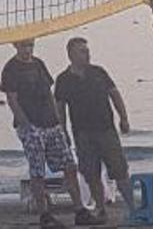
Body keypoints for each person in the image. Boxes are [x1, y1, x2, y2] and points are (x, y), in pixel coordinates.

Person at [2, 39, 102, 228]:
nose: (28, 49)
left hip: (51, 123)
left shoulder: (38, 63)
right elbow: (12, 99)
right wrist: (26, 125)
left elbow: (49, 93)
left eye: (30, 45)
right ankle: (44, 215)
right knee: (37, 170)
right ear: (16, 46)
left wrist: (58, 121)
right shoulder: (11, 69)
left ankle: (79, 209)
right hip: (31, 125)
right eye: (24, 46)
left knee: (69, 165)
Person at [54, 38, 134, 223]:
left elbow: (114, 94)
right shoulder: (64, 79)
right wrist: (63, 132)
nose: (87, 54)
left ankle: (132, 207)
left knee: (119, 169)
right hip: (82, 133)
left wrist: (124, 118)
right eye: (82, 51)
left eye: (87, 51)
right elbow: (60, 108)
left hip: (106, 129)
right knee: (91, 173)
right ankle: (101, 208)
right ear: (71, 55)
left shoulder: (98, 72)